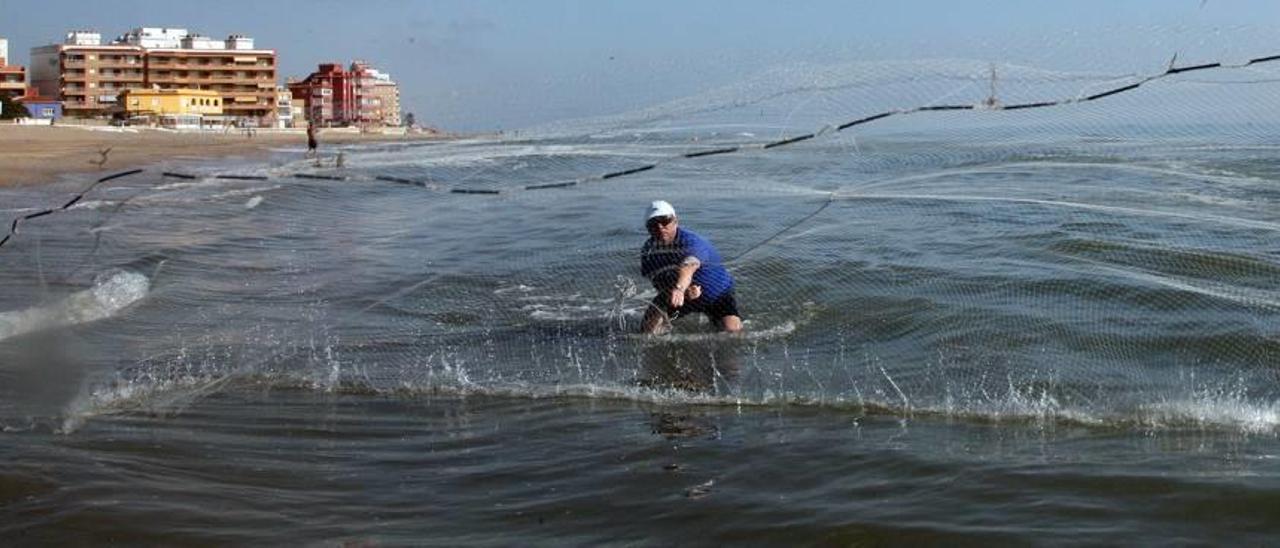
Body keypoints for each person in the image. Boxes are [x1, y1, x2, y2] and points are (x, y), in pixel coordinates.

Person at [639, 200, 743, 334]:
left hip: (717, 295)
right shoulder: (648, 251)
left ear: (675, 221)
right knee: (645, 332)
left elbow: (689, 265)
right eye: (653, 224)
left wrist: (680, 288)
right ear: (648, 228)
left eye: (665, 221)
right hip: (682, 295)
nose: (660, 227)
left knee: (732, 331)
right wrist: (683, 293)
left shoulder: (690, 241)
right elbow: (659, 284)